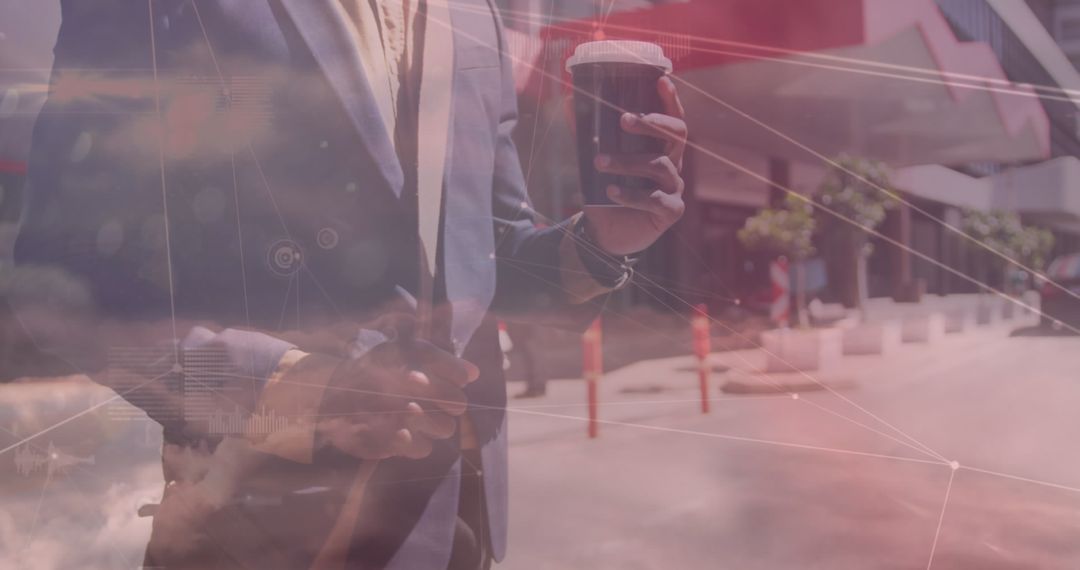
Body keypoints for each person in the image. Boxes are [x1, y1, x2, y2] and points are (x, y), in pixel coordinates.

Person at [11, 1, 687, 568]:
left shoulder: (473, 15)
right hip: (260, 529)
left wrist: (600, 243)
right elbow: (60, 290)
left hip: (460, 522)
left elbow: (485, 254)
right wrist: (295, 390)